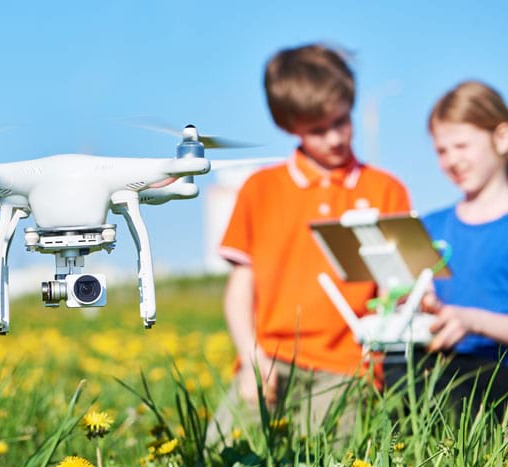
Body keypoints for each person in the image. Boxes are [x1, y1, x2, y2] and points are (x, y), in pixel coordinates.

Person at [210, 44, 411, 439]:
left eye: (342, 121)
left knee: (330, 462)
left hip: (348, 366)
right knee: (220, 453)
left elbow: (397, 285)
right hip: (270, 359)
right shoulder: (259, 189)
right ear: (290, 126)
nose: (335, 138)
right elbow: (239, 290)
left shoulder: (387, 190)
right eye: (318, 131)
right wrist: (252, 358)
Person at [386, 80, 508, 415]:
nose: (451, 160)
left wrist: (473, 321)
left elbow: (472, 318)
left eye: (462, 146)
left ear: (502, 137)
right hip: (444, 371)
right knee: (401, 368)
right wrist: (418, 307)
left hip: (498, 370)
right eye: (442, 150)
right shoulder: (430, 227)